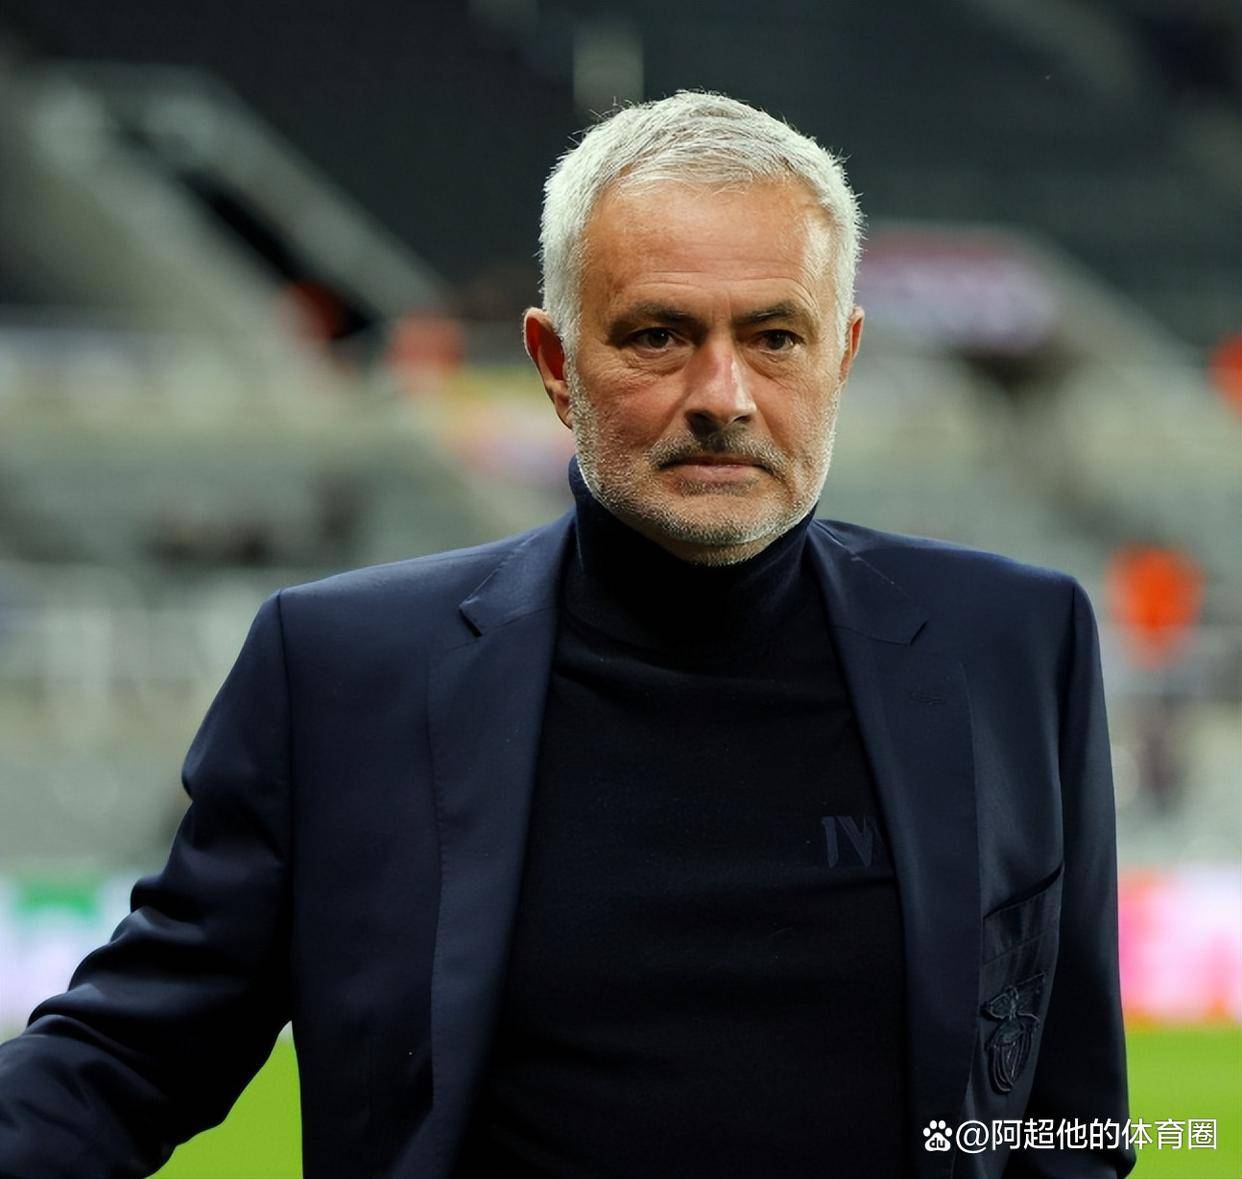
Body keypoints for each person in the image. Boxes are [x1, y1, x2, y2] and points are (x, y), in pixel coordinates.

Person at [0, 91, 1134, 1179]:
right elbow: (125, 1057)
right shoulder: (341, 670)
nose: (724, 394)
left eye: (775, 336)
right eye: (659, 335)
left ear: (841, 353)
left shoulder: (1016, 645)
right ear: (554, 364)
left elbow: (1070, 1119)